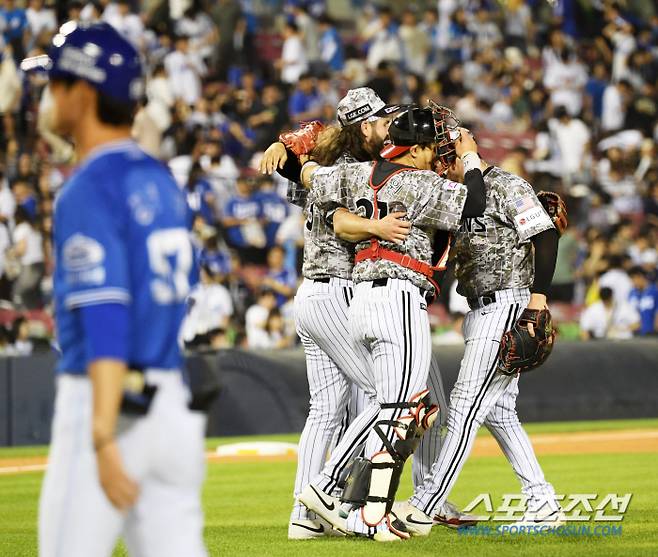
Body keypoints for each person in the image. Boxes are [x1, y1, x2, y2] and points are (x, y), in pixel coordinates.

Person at [25, 22, 207, 557]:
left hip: (107, 400)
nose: (48, 94)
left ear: (81, 93)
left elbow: (107, 316)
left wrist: (103, 436)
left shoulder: (88, 187)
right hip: (171, 398)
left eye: (54, 82)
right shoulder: (160, 179)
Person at [297, 106, 486, 540]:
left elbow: (313, 180)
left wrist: (299, 147)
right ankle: (332, 492)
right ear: (414, 148)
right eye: (429, 148)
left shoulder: (356, 173)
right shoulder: (417, 182)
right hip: (397, 294)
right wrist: (471, 158)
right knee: (401, 407)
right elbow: (474, 204)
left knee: (392, 404)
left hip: (361, 297)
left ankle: (354, 504)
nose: (433, 154)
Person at [395, 131, 567, 535]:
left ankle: (425, 503)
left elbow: (545, 234)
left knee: (465, 408)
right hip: (480, 308)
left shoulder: (505, 184)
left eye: (443, 158)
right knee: (501, 413)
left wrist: (537, 301)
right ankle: (542, 502)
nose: (439, 166)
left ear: (459, 155)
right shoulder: (459, 193)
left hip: (508, 303)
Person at [628, 266, 658, 336]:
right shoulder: (632, 293)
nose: (632, 282)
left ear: (640, 276)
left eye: (633, 278)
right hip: (634, 334)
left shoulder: (654, 292)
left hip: (651, 333)